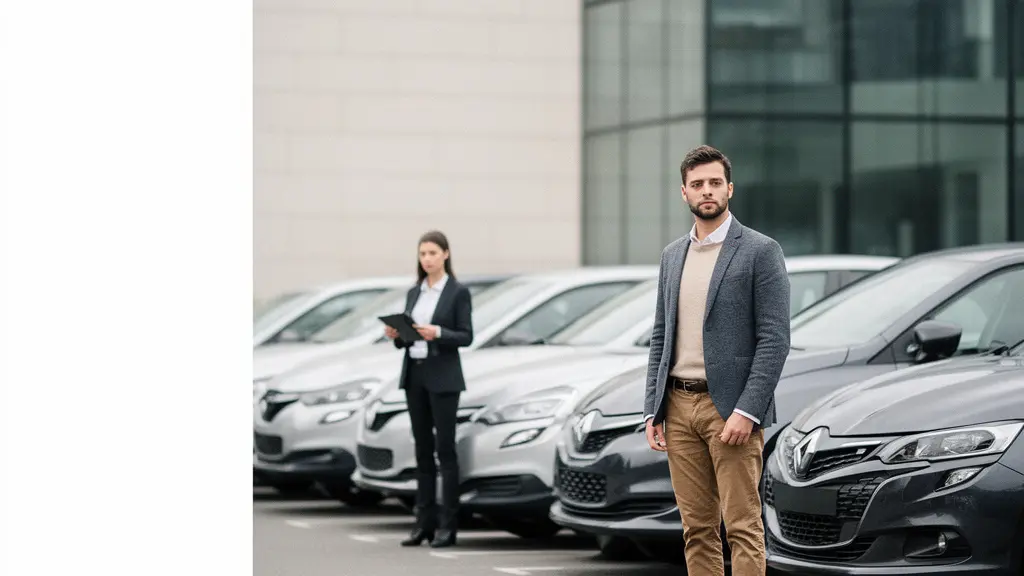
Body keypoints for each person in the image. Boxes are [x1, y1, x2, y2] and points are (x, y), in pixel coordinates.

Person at [642, 145, 790, 575]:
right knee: (697, 528)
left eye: (713, 183)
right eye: (696, 185)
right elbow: (660, 335)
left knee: (742, 526)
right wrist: (653, 407)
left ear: (729, 188)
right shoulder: (673, 255)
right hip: (678, 407)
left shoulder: (761, 251)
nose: (706, 191)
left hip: (731, 411)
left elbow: (775, 339)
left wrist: (748, 410)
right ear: (684, 193)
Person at [383, 230, 473, 549]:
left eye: (433, 253)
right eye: (423, 254)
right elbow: (405, 340)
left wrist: (436, 332)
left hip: (444, 378)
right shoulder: (414, 292)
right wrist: (396, 333)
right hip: (415, 376)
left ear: (446, 254)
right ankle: (423, 524)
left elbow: (466, 336)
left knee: (444, 452)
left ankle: (448, 527)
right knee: (422, 452)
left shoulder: (457, 292)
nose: (427, 259)